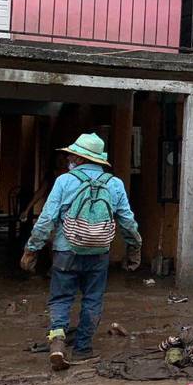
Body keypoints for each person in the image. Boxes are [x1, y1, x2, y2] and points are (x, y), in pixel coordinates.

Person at [19, 133, 141, 370]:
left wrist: (31, 249)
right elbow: (127, 221)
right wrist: (134, 247)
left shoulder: (64, 181)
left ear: (78, 157)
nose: (68, 159)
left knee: (61, 298)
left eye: (70, 155)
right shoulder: (114, 184)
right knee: (93, 299)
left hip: (66, 251)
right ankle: (83, 349)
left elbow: (46, 219)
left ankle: (57, 341)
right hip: (99, 253)